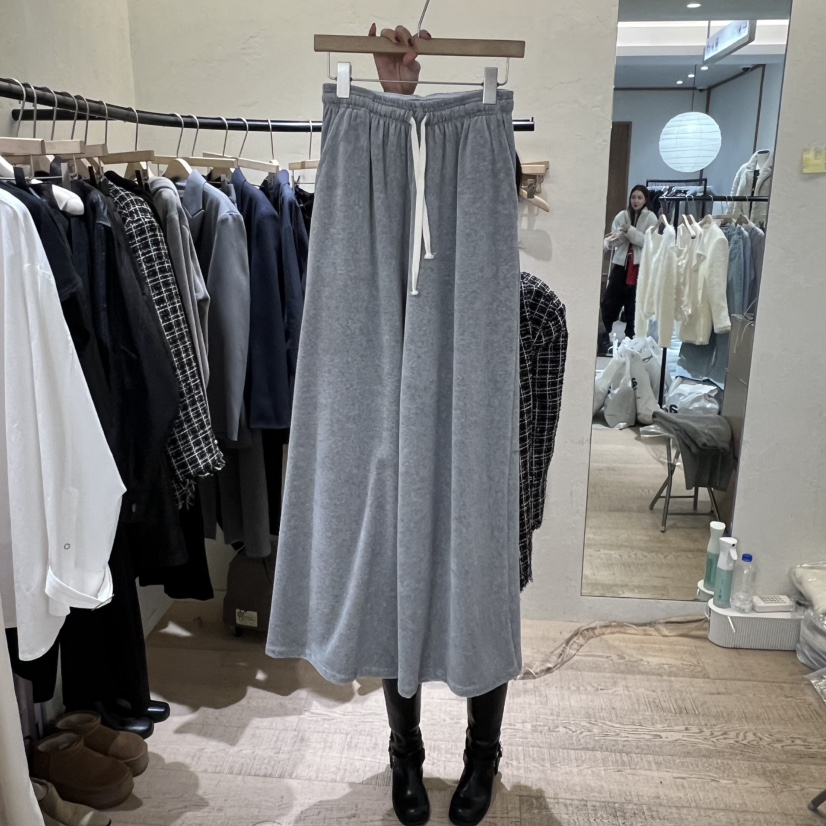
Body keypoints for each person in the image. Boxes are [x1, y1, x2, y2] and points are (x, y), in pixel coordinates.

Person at [367, 24, 509, 826]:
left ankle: (484, 754)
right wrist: (398, 102)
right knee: (402, 591)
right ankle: (405, 751)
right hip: (409, 452)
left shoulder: (531, 314)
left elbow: (538, 428)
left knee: (480, 599)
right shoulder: (399, 286)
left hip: (491, 470)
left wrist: (515, 502)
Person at [601, 184, 657, 342]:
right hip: (621, 265)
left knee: (633, 304)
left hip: (639, 267)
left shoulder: (651, 218)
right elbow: (614, 241)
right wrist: (620, 234)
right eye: (633, 197)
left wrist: (631, 232)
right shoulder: (622, 215)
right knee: (609, 302)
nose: (636, 201)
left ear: (645, 200)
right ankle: (606, 334)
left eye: (639, 198)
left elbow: (649, 242)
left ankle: (632, 338)